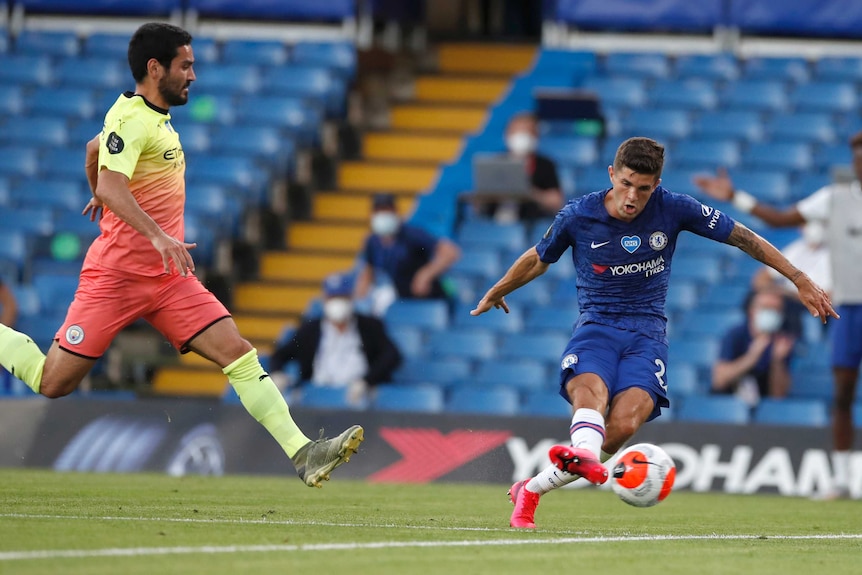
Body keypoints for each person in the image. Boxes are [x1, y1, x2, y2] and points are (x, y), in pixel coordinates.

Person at [0, 23, 363, 488]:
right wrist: (137, 219)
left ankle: (303, 452)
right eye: (185, 65)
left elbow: (95, 152)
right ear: (156, 69)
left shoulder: (146, 118)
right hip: (115, 277)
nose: (193, 75)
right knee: (54, 383)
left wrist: (101, 190)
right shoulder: (133, 120)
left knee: (238, 352)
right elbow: (113, 180)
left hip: (168, 279)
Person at [470, 137, 837, 528]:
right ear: (612, 174)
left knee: (626, 423)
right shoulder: (578, 216)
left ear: (656, 185)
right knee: (589, 392)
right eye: (626, 183)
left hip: (647, 335)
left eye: (643, 189)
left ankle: (533, 488)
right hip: (597, 326)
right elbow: (538, 258)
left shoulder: (674, 208)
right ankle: (581, 458)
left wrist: (797, 276)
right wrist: (499, 288)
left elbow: (742, 236)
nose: (632, 196)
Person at [694, 132, 862, 499]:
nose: (859, 160)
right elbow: (781, 218)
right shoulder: (834, 198)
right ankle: (842, 478)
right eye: (856, 154)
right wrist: (736, 197)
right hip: (850, 307)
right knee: (844, 393)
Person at [268, 272, 402, 405]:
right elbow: (280, 355)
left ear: (351, 297)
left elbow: (392, 355)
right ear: (324, 299)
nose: (337, 302)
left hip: (356, 397)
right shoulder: (310, 330)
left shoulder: (369, 326)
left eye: (342, 297)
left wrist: (367, 381)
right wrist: (278, 373)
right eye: (333, 297)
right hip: (317, 397)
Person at [354, 193, 461, 311]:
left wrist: (426, 274)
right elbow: (368, 273)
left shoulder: (412, 235)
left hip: (429, 299)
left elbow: (451, 252)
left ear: (396, 211)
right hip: (401, 300)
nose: (382, 215)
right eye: (378, 211)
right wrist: (358, 300)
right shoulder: (372, 242)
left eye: (387, 210)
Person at [711, 287, 796, 406]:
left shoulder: (782, 342)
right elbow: (719, 380)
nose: (771, 313)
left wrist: (777, 361)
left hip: (764, 413)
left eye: (776, 310)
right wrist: (751, 358)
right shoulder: (735, 335)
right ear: (752, 311)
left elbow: (778, 396)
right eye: (766, 308)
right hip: (726, 405)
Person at [482, 112, 564, 223]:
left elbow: (556, 202)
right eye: (515, 132)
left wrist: (531, 193)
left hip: (529, 223)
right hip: (494, 223)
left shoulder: (545, 165)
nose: (520, 137)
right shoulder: (496, 162)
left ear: (535, 136)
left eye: (525, 132)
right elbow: (480, 205)